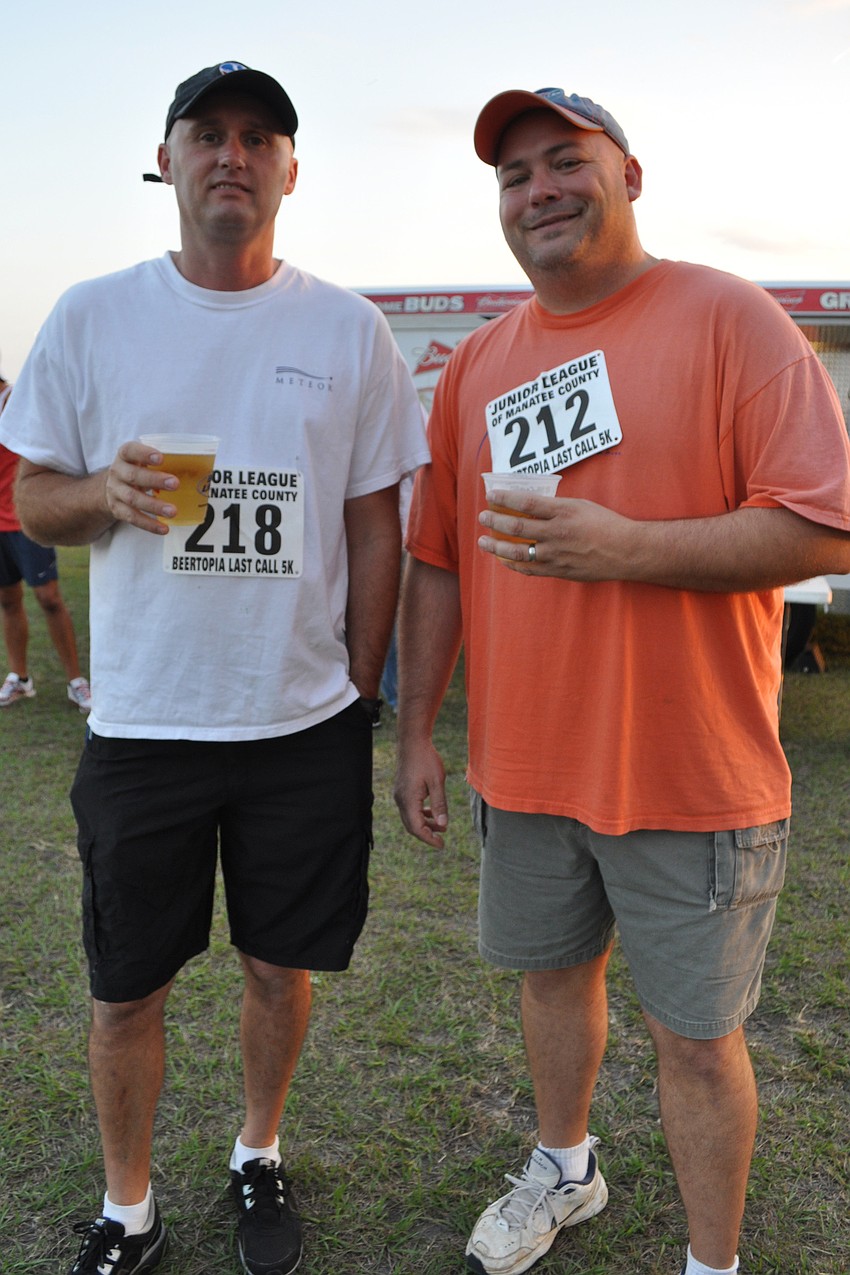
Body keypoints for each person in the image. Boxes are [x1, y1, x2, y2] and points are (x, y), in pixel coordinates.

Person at [394, 86, 850, 1275]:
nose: (538, 189)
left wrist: (630, 548)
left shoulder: (729, 320)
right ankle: (564, 1168)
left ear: (628, 175)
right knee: (551, 984)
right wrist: (417, 733)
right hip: (529, 765)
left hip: (689, 768)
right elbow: (437, 558)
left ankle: (713, 1264)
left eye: (564, 161)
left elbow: (823, 526)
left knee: (696, 1042)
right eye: (513, 175)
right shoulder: (480, 363)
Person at [1, 61, 428, 1275]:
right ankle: (126, 1208)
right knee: (127, 984)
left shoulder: (347, 329)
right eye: (208, 135)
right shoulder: (92, 314)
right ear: (169, 160)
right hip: (145, 723)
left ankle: (257, 1149)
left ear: (290, 169)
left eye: (259, 137)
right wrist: (102, 494)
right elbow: (33, 492)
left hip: (299, 725)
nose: (232, 155)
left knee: (274, 964)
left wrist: (359, 681)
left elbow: (372, 520)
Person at [0, 377, 91, 712]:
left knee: (49, 598)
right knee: (8, 601)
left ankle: (77, 682)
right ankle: (20, 678)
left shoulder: (18, 400)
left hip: (24, 519)